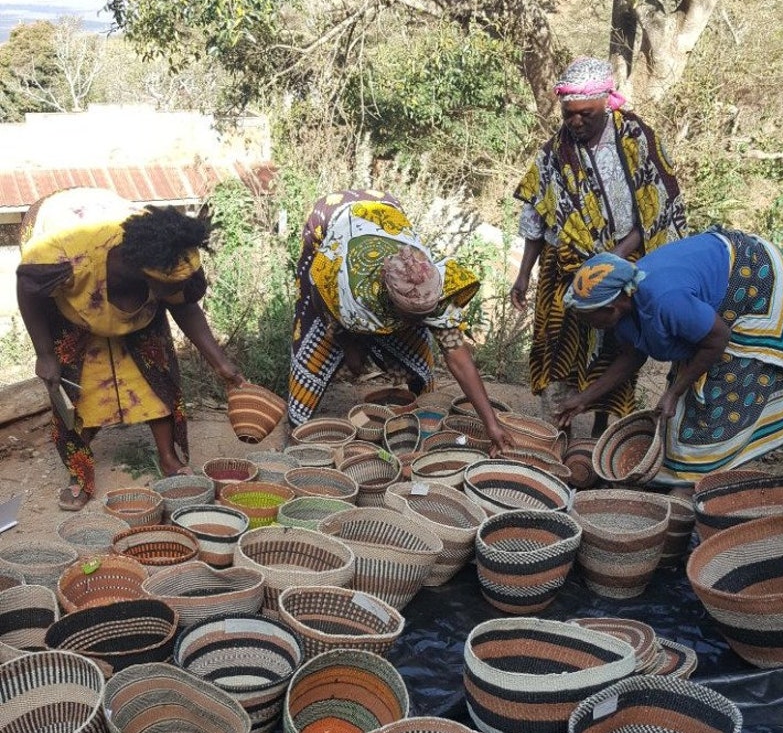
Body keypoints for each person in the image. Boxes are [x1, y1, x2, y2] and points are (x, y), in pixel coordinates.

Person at [16, 187, 243, 511]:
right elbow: (27, 290)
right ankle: (79, 471)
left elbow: (185, 306)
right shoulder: (63, 254)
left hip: (130, 293)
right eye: (170, 287)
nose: (175, 291)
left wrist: (221, 363)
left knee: (157, 379)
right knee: (77, 391)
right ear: (144, 274)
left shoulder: (169, 255)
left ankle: (168, 457)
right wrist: (44, 354)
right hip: (72, 304)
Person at [509, 56, 687, 434]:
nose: (576, 121)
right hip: (565, 266)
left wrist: (612, 259)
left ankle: (604, 433)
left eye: (586, 113)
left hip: (624, 263)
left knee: (617, 346)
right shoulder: (554, 154)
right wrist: (523, 275)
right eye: (569, 113)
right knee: (557, 345)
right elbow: (535, 219)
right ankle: (556, 432)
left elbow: (656, 209)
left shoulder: (637, 140)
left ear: (607, 102)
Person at [288, 188, 513, 453]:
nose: (424, 320)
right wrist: (347, 343)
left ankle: (418, 416)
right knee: (318, 341)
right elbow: (319, 290)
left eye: (426, 313)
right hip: (331, 218)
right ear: (389, 300)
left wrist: (491, 423)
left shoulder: (427, 281)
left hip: (386, 210)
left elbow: (458, 356)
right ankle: (296, 425)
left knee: (417, 351)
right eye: (413, 315)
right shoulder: (347, 287)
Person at [557, 229, 783, 480]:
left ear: (611, 307)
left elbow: (717, 340)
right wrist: (584, 398)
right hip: (714, 293)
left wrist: (674, 391)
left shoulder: (665, 299)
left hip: (758, 280)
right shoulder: (625, 307)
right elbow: (632, 356)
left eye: (588, 318)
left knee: (722, 389)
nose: (587, 324)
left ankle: (704, 479)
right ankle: (692, 473)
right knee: (686, 398)